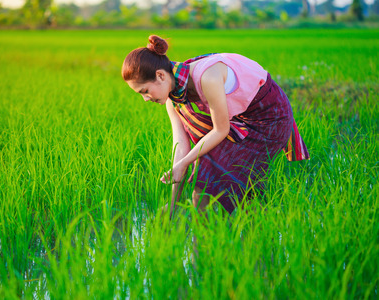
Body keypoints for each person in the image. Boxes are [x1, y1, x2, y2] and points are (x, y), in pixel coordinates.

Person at [122, 35, 309, 216]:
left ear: (160, 75)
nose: (145, 99)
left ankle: (207, 243)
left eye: (145, 91)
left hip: (269, 119)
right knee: (207, 179)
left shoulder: (207, 77)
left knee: (206, 181)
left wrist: (186, 162)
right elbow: (180, 149)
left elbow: (221, 130)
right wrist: (172, 205)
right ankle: (221, 239)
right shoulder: (175, 100)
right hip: (240, 121)